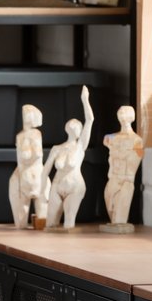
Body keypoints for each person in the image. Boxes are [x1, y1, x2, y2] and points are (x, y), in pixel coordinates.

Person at [42, 85, 94, 230]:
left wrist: (85, 100)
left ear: (80, 131)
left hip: (74, 187)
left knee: (68, 223)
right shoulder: (57, 148)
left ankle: (67, 249)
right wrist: (41, 190)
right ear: (66, 128)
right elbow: (45, 169)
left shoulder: (80, 147)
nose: (74, 126)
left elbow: (89, 120)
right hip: (57, 185)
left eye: (78, 126)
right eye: (72, 125)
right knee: (50, 222)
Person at [102, 104, 144, 230]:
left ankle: (119, 225)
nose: (122, 117)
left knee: (120, 214)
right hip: (113, 178)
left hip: (126, 179)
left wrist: (122, 155)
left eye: (125, 115)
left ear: (132, 117)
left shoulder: (137, 140)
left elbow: (138, 157)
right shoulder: (112, 137)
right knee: (110, 205)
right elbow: (106, 140)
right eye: (120, 115)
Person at [7, 103, 47, 229]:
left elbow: (36, 154)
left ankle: (40, 223)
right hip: (23, 177)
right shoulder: (20, 136)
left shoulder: (35, 134)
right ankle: (23, 224)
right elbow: (23, 157)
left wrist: (27, 154)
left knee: (41, 213)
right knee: (21, 217)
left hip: (35, 175)